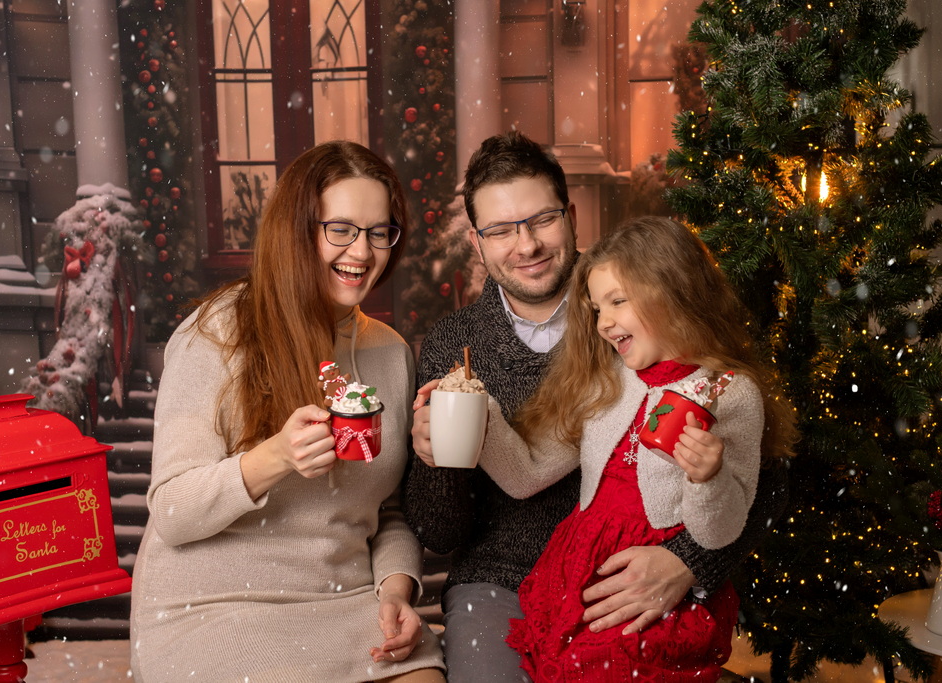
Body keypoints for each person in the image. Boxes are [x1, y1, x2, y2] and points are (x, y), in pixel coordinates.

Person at [403, 132, 789, 682]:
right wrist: (439, 456)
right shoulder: (455, 343)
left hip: (644, 572)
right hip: (501, 579)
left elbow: (763, 481)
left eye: (542, 220)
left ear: (572, 215)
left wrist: (688, 562)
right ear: (477, 242)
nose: (526, 246)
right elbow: (441, 531)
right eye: (501, 230)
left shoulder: (648, 316)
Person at [129, 141, 445, 683]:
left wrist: (396, 589)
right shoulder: (216, 333)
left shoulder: (390, 352)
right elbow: (173, 512)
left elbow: (388, 510)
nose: (363, 251)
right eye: (340, 229)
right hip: (217, 606)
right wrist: (272, 457)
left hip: (345, 603)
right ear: (296, 231)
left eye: (379, 232)